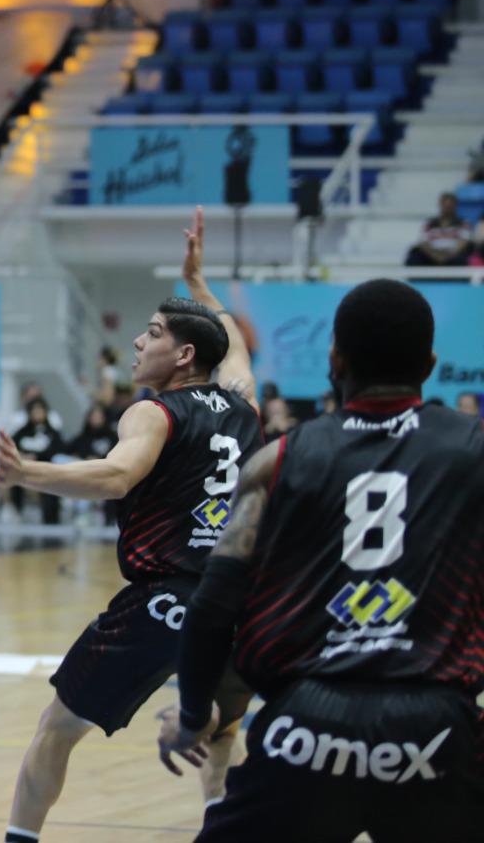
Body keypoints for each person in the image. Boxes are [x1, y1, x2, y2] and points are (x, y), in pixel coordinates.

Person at [158, 279, 484, 842]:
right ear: (430, 364)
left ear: (335, 359)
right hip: (435, 730)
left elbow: (213, 607)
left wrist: (192, 717)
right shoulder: (473, 450)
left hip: (308, 729)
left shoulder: (277, 461)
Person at [0, 208, 262, 843]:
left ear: (183, 355)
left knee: (57, 728)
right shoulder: (243, 405)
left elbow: (115, 477)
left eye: (153, 332)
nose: (138, 342)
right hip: (235, 603)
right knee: (221, 740)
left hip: (165, 602)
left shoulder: (153, 413)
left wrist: (26, 472)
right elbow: (236, 347)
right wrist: (200, 284)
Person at [8, 397, 63, 524]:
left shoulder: (53, 433)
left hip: (46, 470)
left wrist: (37, 457)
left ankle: (50, 521)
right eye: (34, 410)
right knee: (13, 476)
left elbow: (58, 451)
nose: (37, 413)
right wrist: (22, 456)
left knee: (52, 485)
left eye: (40, 410)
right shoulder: (22, 432)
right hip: (24, 470)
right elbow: (12, 448)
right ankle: (17, 512)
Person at [404, 192, 471, 268]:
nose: (447, 208)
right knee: (414, 256)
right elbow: (424, 242)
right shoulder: (429, 223)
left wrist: (448, 255)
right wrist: (435, 255)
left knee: (463, 258)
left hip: (453, 255)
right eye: (445, 205)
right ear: (440, 205)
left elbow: (463, 243)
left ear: (455, 206)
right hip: (432, 255)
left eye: (450, 206)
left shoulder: (463, 223)